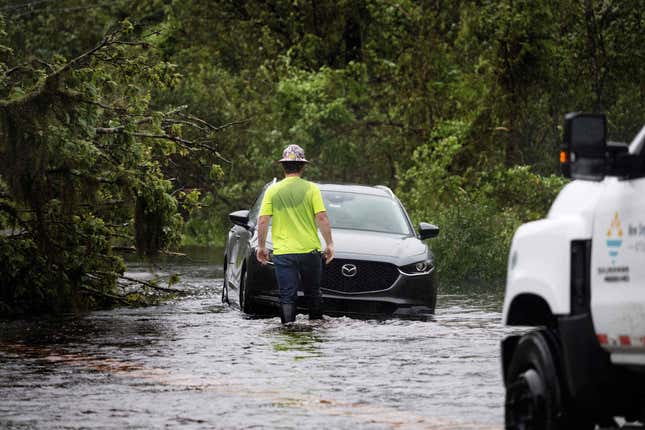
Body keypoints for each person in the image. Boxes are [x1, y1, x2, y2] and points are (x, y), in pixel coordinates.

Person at [255, 144, 334, 324]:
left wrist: (261, 247)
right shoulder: (311, 189)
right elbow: (321, 217)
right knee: (313, 293)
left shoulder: (273, 190)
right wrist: (329, 244)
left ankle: (288, 329)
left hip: (284, 253)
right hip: (310, 251)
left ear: (283, 166)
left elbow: (263, 220)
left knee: (287, 296)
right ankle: (315, 330)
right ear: (303, 166)